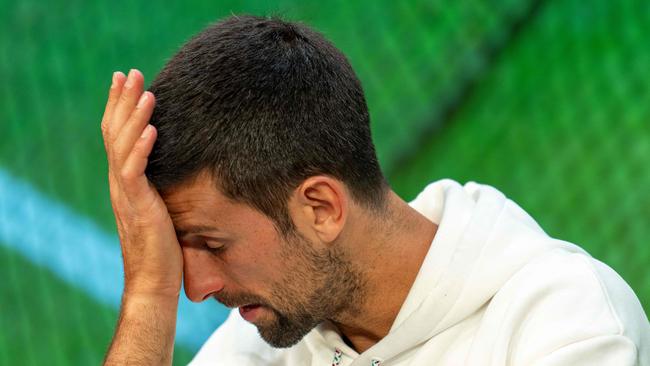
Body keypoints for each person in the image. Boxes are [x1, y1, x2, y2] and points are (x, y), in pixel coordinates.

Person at [101, 15, 649, 366]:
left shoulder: (566, 327)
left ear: (321, 207)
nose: (194, 287)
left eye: (213, 244)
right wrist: (149, 295)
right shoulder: (263, 346)